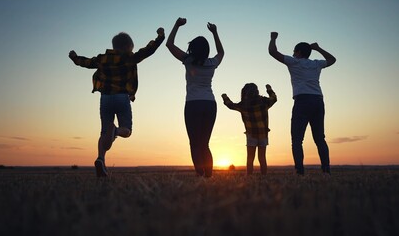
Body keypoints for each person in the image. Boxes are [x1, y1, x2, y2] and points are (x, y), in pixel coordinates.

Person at [69, 28, 165, 177]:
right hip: (122, 97)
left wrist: (74, 57)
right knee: (126, 130)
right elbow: (149, 50)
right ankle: (115, 131)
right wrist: (160, 36)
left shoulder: (102, 58)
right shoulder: (129, 58)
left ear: (114, 47)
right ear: (128, 48)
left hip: (105, 98)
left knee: (103, 133)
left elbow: (86, 62)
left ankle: (100, 158)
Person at [268, 32, 336, 175]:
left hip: (302, 101)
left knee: (297, 139)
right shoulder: (316, 64)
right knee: (319, 138)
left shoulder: (294, 62)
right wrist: (318, 48)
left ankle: (300, 171)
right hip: (318, 101)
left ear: (298, 52)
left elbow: (272, 52)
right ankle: (326, 170)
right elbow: (332, 59)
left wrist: (273, 38)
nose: (292, 54)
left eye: (294, 52)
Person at [166, 17, 224, 177]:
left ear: (192, 48)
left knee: (195, 143)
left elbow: (169, 45)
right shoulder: (212, 62)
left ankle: (200, 175)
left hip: (192, 104)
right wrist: (215, 33)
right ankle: (208, 176)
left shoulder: (188, 60)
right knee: (205, 143)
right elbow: (221, 52)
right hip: (210, 104)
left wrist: (176, 25)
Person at [222, 83, 277, 175]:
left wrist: (225, 97)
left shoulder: (244, 105)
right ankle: (264, 177)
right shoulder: (264, 102)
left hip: (251, 135)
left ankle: (249, 177)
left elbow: (230, 105)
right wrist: (269, 89)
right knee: (262, 158)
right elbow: (274, 98)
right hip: (263, 135)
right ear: (257, 91)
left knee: (250, 158)